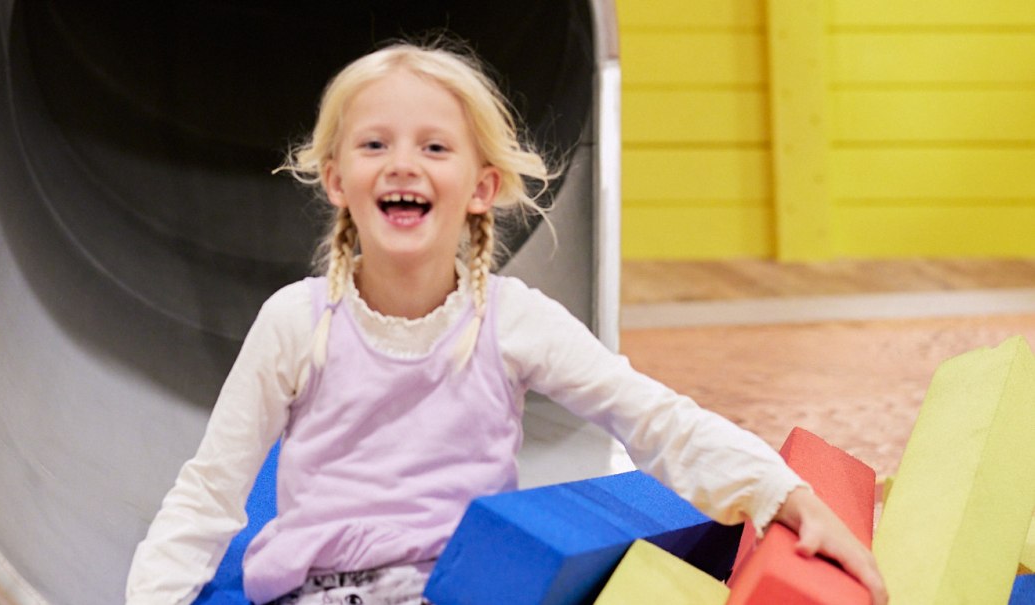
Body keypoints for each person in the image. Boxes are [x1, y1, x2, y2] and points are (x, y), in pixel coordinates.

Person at [125, 41, 887, 605]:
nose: (402, 164)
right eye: (374, 144)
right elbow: (209, 490)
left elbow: (653, 419)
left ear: (482, 185)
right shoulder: (297, 322)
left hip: (461, 589)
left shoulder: (511, 320)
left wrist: (785, 496)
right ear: (336, 178)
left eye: (434, 146)